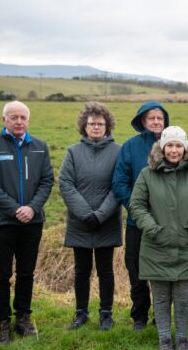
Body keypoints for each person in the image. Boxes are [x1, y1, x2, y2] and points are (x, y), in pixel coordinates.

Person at [0, 100, 54, 345]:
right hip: (2, 222)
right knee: (1, 274)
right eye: (14, 117)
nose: (19, 121)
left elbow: (47, 181)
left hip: (33, 221)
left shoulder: (40, 147)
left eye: (23, 117)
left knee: (26, 273)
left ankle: (23, 317)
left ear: (28, 120)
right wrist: (15, 209)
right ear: (4, 120)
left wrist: (31, 208)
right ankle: (1, 322)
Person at [129, 126, 188, 350]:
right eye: (170, 145)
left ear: (185, 148)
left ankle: (182, 339)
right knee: (161, 299)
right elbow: (136, 205)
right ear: (162, 148)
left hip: (187, 245)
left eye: (178, 145)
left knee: (184, 299)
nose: (174, 150)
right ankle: (165, 339)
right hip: (155, 245)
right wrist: (152, 228)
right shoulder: (147, 174)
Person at [59, 102, 122, 331]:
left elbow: (119, 185)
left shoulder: (118, 151)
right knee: (81, 271)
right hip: (80, 222)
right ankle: (81, 313)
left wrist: (101, 214)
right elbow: (66, 183)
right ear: (84, 127)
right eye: (92, 123)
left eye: (100, 124)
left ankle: (106, 314)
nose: (96, 127)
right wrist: (86, 214)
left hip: (107, 221)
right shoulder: (73, 152)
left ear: (107, 127)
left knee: (106, 270)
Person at [112, 101, 170, 331]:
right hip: (137, 221)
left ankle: (161, 315)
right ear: (143, 122)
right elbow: (119, 183)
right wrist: (136, 208)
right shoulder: (130, 147)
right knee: (135, 268)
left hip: (166, 222)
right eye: (151, 118)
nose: (156, 122)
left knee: (163, 271)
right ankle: (139, 316)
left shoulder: (173, 145)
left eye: (160, 118)